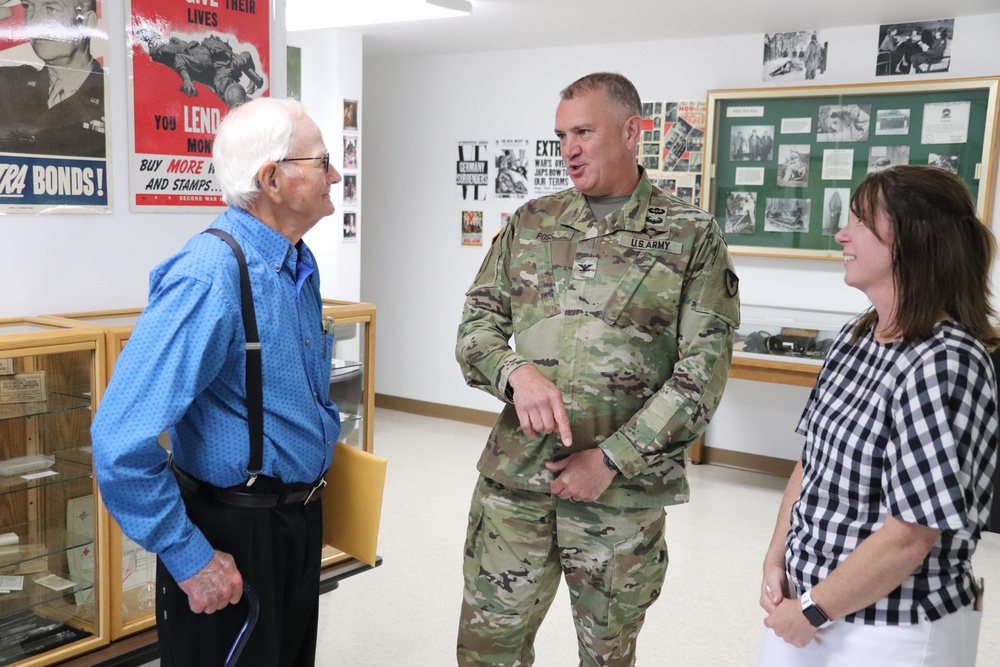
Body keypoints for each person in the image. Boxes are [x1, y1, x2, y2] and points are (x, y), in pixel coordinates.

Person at [455, 71, 740, 667]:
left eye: (584, 131)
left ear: (632, 132)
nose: (570, 150)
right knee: (487, 653)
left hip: (620, 500)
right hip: (517, 485)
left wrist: (611, 459)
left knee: (606, 657)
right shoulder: (532, 222)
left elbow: (703, 372)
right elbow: (475, 329)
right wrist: (514, 372)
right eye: (561, 136)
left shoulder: (690, 235)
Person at [92, 98, 343, 667]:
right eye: (322, 160)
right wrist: (190, 557)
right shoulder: (209, 277)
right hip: (232, 534)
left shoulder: (297, 264)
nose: (336, 174)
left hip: (294, 522)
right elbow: (118, 440)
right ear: (272, 179)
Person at [757, 164, 998, 667]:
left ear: (915, 239)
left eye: (861, 223)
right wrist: (777, 558)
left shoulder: (945, 360)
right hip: (808, 603)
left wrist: (814, 611)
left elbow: (910, 535)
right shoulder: (854, 338)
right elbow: (811, 464)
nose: (842, 234)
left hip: (894, 626)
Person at [0, 0, 106, 157]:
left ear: (86, 23)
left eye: (50, 8)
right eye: (28, 7)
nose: (35, 21)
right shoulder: (8, 83)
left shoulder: (114, 97)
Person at [135, 26, 264, 107]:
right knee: (160, 53)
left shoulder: (232, 66)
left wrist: (255, 79)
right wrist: (187, 81)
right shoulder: (204, 65)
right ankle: (151, 38)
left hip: (197, 54)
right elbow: (179, 58)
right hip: (185, 52)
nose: (219, 87)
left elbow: (246, 56)